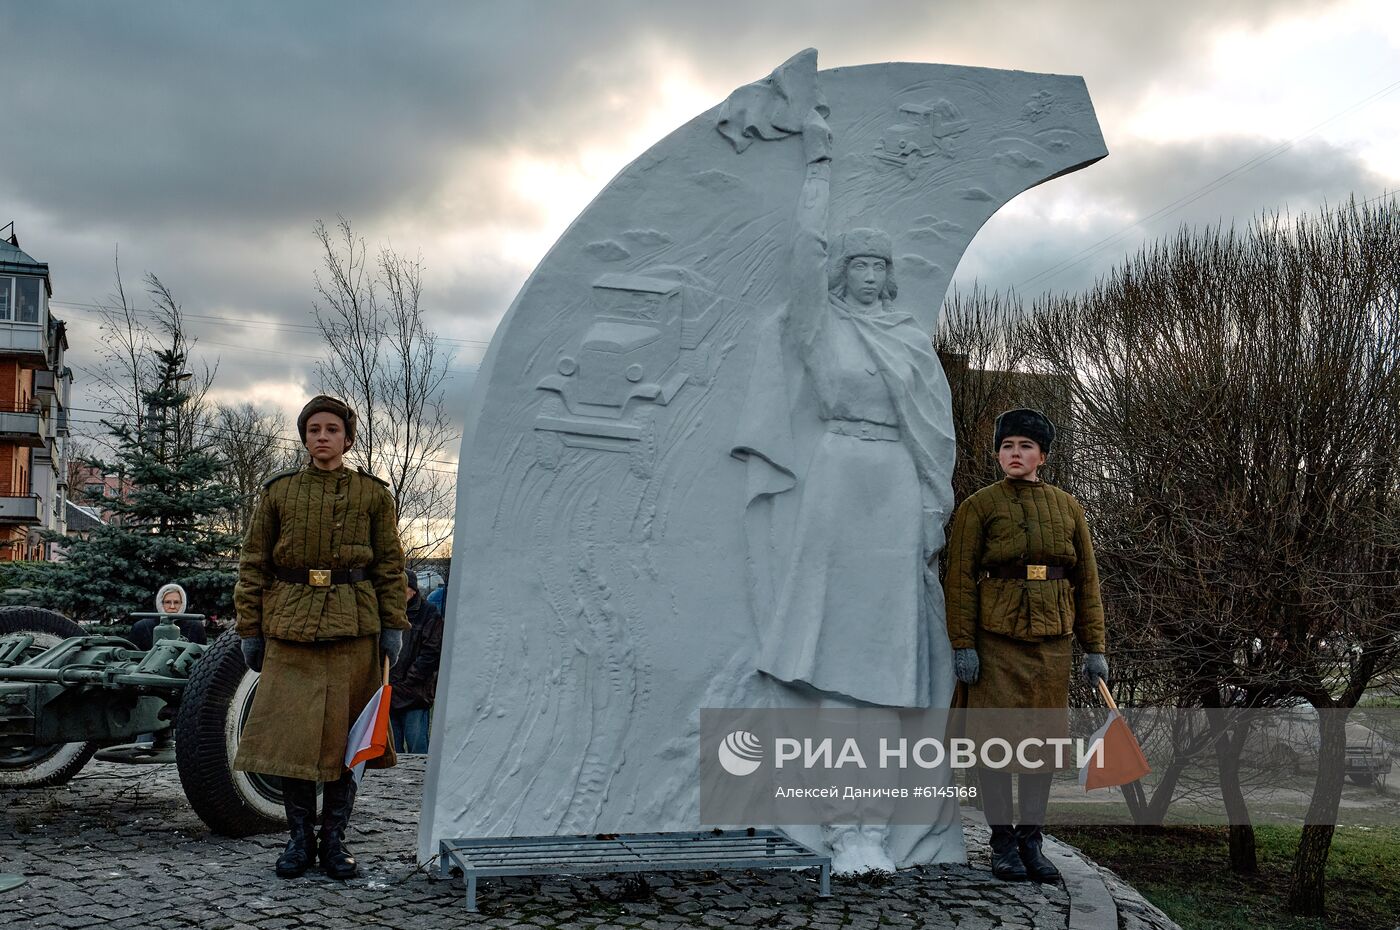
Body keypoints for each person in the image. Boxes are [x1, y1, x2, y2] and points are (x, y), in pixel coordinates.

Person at [732, 108, 955, 872]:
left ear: (888, 277)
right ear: (842, 272)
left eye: (876, 266)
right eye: (854, 264)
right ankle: (838, 825)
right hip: (834, 483)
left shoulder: (909, 344)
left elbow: (936, 436)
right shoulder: (818, 325)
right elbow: (801, 261)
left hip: (894, 488)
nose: (866, 274)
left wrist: (932, 508)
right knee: (833, 663)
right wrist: (818, 171)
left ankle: (872, 828)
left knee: (886, 668)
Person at [233, 395, 409, 880]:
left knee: (347, 743)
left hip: (355, 629)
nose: (322, 436)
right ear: (304, 437)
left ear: (347, 438)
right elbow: (254, 565)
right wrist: (251, 629)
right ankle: (297, 841)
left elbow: (390, 566)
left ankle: (334, 841)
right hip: (289, 628)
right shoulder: (278, 493)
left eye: (332, 429)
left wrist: (393, 625)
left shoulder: (374, 495)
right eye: (313, 429)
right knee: (292, 740)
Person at [943, 408, 1109, 883]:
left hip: (1052, 646)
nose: (1015, 454)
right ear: (998, 453)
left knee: (1041, 748)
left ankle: (1031, 843)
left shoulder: (1068, 507)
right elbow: (958, 580)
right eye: (1007, 446)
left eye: (1025, 447)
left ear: (1043, 456)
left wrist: (1093, 647)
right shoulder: (979, 506)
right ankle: (1002, 845)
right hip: (995, 644)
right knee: (995, 746)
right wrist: (963, 644)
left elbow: (1087, 582)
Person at [389, 569, 444, 754]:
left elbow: (431, 653)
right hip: (390, 692)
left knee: (417, 750)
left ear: (412, 589)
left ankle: (418, 784)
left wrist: (408, 680)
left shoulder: (429, 613)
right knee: (392, 752)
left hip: (416, 694)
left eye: (400, 588)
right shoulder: (389, 614)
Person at [128, 582, 207, 650]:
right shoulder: (142, 626)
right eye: (168, 602)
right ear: (160, 603)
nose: (172, 606)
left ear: (182, 603)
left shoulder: (195, 626)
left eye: (176, 602)